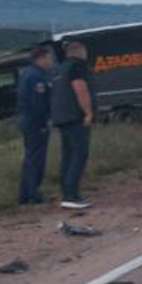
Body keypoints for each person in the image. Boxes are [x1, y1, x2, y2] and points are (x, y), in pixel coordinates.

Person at [51, 41, 95, 209]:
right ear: (81, 52)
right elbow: (80, 89)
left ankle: (66, 193)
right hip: (75, 117)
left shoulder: (59, 68)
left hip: (61, 117)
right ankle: (72, 195)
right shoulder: (77, 66)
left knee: (67, 156)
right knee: (79, 154)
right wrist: (88, 112)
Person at [16, 45, 54, 205]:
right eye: (49, 58)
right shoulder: (37, 77)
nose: (51, 61)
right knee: (36, 159)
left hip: (26, 120)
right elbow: (38, 104)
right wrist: (45, 121)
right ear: (41, 58)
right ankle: (33, 193)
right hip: (36, 123)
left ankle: (24, 194)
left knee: (29, 158)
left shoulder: (27, 73)